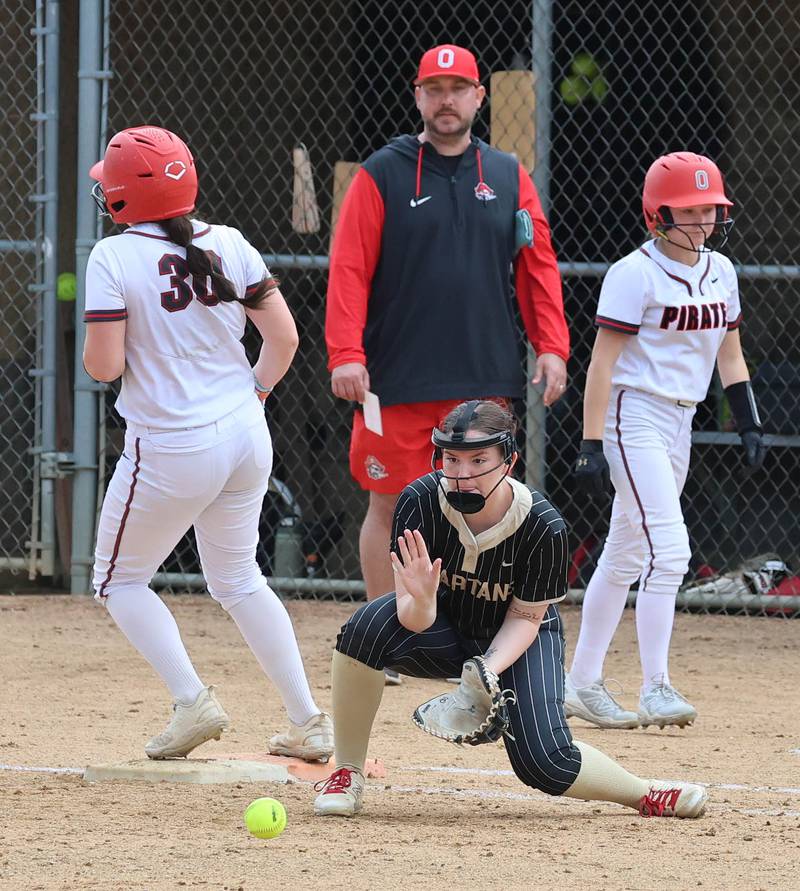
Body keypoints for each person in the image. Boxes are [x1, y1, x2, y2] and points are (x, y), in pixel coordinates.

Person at [312, 400, 707, 819]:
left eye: (479, 459)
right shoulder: (420, 502)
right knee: (365, 627)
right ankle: (347, 771)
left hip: (520, 637)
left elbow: (526, 618)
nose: (462, 475)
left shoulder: (542, 524)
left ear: (509, 462)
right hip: (444, 627)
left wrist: (486, 670)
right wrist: (424, 601)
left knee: (546, 764)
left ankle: (646, 793)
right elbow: (411, 616)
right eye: (452, 459)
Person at [83, 126, 333, 761]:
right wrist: (255, 393)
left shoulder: (112, 257)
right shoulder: (228, 241)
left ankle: (192, 699)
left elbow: (104, 368)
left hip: (170, 445)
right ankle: (308, 719)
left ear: (121, 199)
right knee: (239, 577)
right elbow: (285, 340)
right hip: (246, 436)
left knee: (118, 582)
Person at [325, 45, 570, 682]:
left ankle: (485, 649)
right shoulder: (380, 173)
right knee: (388, 508)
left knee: (489, 515)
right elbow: (349, 269)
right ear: (417, 96)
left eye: (459, 88)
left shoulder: (510, 175)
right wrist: (346, 353)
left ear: (478, 98)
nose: (446, 100)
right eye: (434, 89)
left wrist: (552, 345)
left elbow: (537, 267)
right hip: (398, 380)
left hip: (484, 378)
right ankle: (389, 642)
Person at [566, 152, 765, 729]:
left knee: (626, 550)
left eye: (711, 208)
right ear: (659, 213)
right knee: (669, 550)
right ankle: (656, 685)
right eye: (691, 209)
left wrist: (748, 419)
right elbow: (601, 366)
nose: (704, 220)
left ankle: (581, 683)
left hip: (682, 420)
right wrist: (591, 441)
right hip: (635, 416)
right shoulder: (634, 274)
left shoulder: (720, 270)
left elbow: (729, 352)